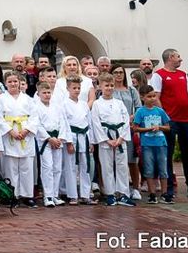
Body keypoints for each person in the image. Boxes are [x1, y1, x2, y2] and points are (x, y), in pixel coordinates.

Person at [149, 48, 188, 199]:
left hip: (186, 120)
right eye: (178, 57)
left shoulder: (183, 75)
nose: (180, 59)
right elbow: (156, 97)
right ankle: (169, 188)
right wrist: (165, 117)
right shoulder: (159, 75)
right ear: (171, 57)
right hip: (171, 121)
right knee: (168, 154)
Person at [90, 73, 133, 207]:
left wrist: (121, 138)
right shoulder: (97, 104)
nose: (109, 88)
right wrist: (106, 139)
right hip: (105, 137)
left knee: (122, 166)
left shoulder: (119, 103)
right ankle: (110, 194)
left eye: (111, 85)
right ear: (100, 87)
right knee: (106, 166)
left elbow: (126, 121)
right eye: (106, 85)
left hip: (119, 136)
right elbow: (95, 123)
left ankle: (123, 193)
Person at [0, 72, 37, 208]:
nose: (13, 84)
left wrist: (26, 130)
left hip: (25, 133)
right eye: (10, 82)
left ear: (20, 83)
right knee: (11, 167)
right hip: (10, 134)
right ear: (6, 83)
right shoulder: (1, 99)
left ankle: (27, 195)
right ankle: (13, 195)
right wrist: (10, 131)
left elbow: (34, 117)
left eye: (15, 81)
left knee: (26, 167)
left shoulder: (28, 99)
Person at [132, 86, 171, 204]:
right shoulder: (140, 112)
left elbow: (168, 127)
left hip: (161, 143)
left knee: (163, 168)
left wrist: (159, 127)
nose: (152, 98)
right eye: (149, 96)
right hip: (147, 144)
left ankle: (164, 193)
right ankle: (152, 193)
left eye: (154, 96)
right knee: (149, 169)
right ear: (142, 97)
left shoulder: (160, 111)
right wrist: (148, 129)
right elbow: (135, 128)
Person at [111, 66, 143, 200]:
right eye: (115, 72)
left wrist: (132, 117)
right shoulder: (108, 90)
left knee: (131, 160)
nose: (119, 75)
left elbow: (139, 107)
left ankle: (135, 188)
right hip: (112, 129)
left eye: (121, 72)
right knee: (114, 161)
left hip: (128, 128)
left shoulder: (131, 90)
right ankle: (116, 189)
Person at [61, 76, 93, 205]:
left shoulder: (84, 104)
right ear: (68, 88)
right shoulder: (63, 104)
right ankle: (72, 195)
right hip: (72, 137)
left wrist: (91, 141)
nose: (77, 90)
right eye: (74, 88)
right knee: (70, 167)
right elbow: (64, 124)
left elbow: (89, 123)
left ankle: (85, 194)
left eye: (79, 88)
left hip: (84, 136)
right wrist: (68, 142)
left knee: (85, 167)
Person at [33, 81, 65, 207]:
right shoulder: (36, 107)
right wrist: (48, 138)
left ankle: (55, 194)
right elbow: (37, 125)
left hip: (57, 139)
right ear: (39, 93)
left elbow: (62, 122)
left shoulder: (56, 106)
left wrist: (59, 138)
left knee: (57, 168)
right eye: (44, 93)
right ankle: (48, 196)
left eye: (48, 92)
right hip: (45, 141)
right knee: (47, 167)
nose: (47, 95)